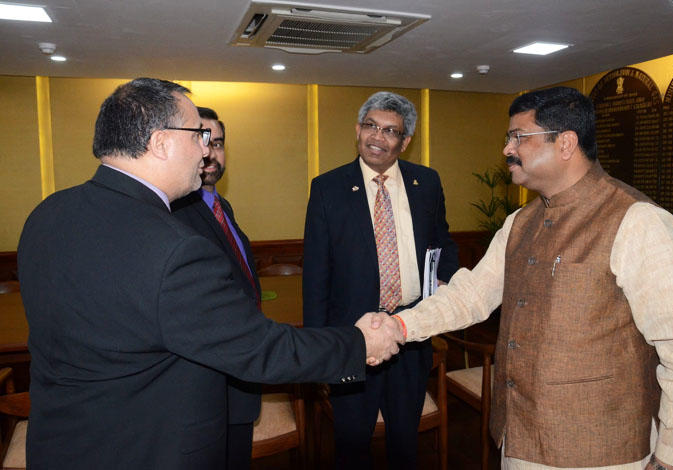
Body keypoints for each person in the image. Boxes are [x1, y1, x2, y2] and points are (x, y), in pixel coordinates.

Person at [17, 77, 402, 469]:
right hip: (148, 449)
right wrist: (358, 345)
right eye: (198, 135)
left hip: (62, 446)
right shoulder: (173, 248)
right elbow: (258, 348)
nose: (206, 151)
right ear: (160, 142)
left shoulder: (48, 214)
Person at [386, 86, 673, 470]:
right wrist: (399, 326)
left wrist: (671, 457)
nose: (507, 149)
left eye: (518, 137)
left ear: (566, 143)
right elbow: (471, 295)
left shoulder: (638, 221)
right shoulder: (520, 222)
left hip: (602, 450)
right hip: (519, 438)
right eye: (508, 138)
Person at [303, 91, 458, 469]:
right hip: (353, 336)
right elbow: (316, 272)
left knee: (405, 440)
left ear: (405, 142)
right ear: (357, 130)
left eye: (391, 131)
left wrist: (449, 303)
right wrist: (321, 349)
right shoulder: (328, 188)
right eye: (371, 126)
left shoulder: (427, 183)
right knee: (352, 440)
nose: (378, 136)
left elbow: (443, 247)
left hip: (410, 332)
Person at [171, 107, 261, 468]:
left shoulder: (222, 207)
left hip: (237, 373)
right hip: (206, 385)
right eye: (201, 140)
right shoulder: (173, 215)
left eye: (218, 143)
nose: (210, 152)